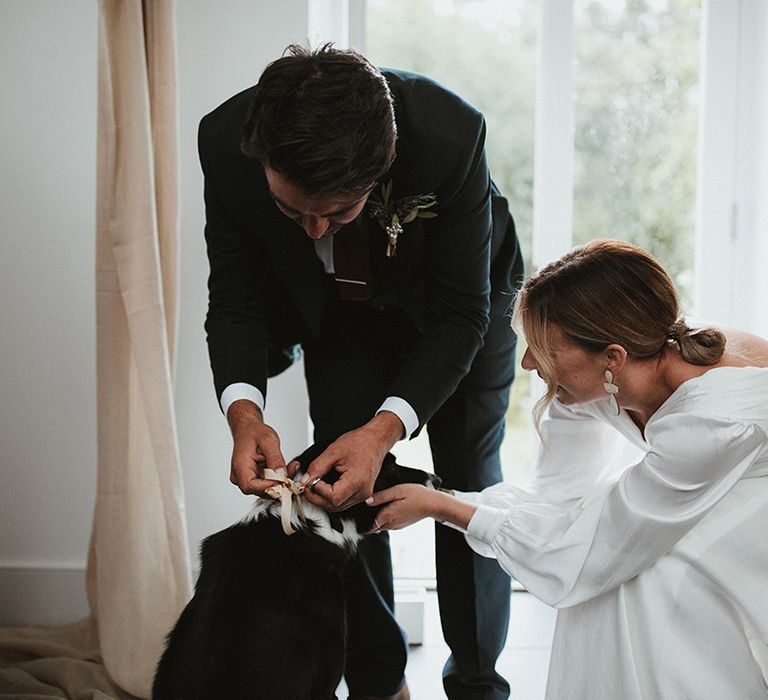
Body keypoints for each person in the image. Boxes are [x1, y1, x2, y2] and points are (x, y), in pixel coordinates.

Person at [198, 44, 524, 699]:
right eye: (294, 213)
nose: (313, 227)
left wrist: (385, 431)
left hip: (461, 307)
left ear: (380, 172)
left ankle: (478, 679)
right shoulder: (223, 143)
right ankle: (378, 681)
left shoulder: (450, 134)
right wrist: (244, 414)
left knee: (467, 485)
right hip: (343, 313)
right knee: (337, 484)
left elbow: (461, 316)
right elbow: (236, 301)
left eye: (337, 213)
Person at [367, 239, 768, 699]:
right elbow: (555, 501)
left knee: (636, 583)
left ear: (611, 357)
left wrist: (441, 508)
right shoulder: (610, 376)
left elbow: (593, 552)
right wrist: (448, 499)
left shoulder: (711, 422)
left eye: (544, 350)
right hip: (706, 482)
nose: (527, 363)